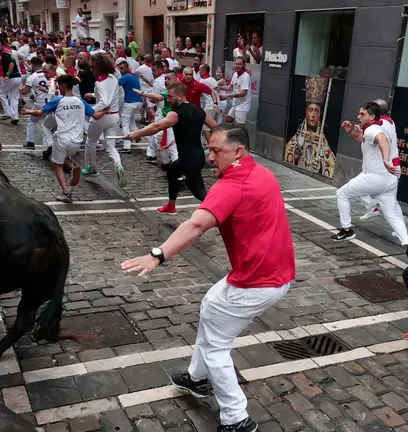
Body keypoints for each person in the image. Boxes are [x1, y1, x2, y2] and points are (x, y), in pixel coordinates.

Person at [122, 124, 295, 432]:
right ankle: (196, 377)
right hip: (278, 276)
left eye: (217, 151)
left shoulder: (231, 185)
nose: (210, 158)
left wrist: (157, 255)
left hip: (255, 282)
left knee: (216, 345)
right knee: (211, 309)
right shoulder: (263, 173)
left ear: (238, 151)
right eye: (210, 150)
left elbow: (197, 225)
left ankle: (237, 418)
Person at [331, 102, 408, 264]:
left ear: (372, 116)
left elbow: (381, 139)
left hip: (375, 178)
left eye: (362, 114)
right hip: (389, 180)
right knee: (392, 214)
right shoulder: (383, 123)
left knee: (342, 194)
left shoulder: (373, 129)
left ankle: (347, 230)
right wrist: (351, 132)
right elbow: (363, 138)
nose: (358, 117)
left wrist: (385, 159)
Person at [124, 83, 217, 213]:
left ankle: (221, 211)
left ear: (180, 97)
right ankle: (171, 205)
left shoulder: (175, 114)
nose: (167, 100)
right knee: (172, 172)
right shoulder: (199, 110)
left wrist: (136, 133)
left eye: (170, 97)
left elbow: (156, 127)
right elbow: (217, 127)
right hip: (195, 156)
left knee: (199, 191)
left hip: (189, 160)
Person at [22, 74, 100, 203]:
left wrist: (27, 111)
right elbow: (96, 116)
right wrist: (108, 110)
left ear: (63, 86)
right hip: (77, 141)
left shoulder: (57, 101)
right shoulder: (81, 101)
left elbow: (40, 112)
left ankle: (66, 193)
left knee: (57, 165)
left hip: (62, 139)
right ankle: (72, 165)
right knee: (66, 155)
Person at [81, 53, 127, 188]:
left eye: (92, 67)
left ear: (97, 67)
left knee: (90, 142)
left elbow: (105, 101)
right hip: (114, 116)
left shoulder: (99, 82)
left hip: (102, 117)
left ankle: (91, 167)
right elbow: (108, 94)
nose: (91, 69)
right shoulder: (113, 78)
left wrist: (91, 110)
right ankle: (118, 165)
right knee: (110, 146)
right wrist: (92, 94)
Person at [21, 57, 50, 149]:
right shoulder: (49, 74)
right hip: (51, 101)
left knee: (32, 121)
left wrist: (20, 87)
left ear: (33, 65)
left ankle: (30, 142)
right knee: (49, 125)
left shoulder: (32, 77)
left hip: (40, 102)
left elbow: (24, 91)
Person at [117, 59, 141, 154]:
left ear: (126, 68)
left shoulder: (125, 77)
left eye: (122, 68)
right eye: (120, 69)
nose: (120, 71)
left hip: (130, 102)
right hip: (138, 102)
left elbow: (114, 86)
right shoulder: (133, 75)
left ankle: (127, 146)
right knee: (131, 121)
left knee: (125, 124)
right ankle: (137, 135)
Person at [218, 57, 251, 125]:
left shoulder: (246, 77)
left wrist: (228, 95)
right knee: (227, 121)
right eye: (236, 64)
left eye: (239, 64)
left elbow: (243, 93)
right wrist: (219, 87)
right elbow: (230, 87)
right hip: (235, 105)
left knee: (240, 127)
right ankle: (233, 135)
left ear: (244, 65)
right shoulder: (235, 74)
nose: (237, 66)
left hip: (242, 106)